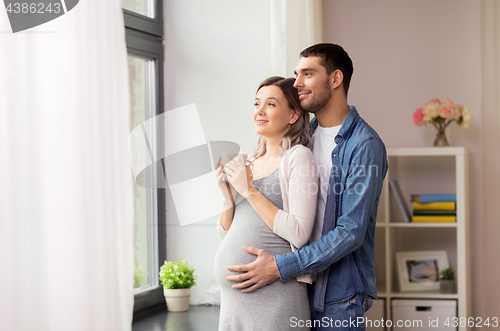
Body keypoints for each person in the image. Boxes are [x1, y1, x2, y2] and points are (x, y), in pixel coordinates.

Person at [225, 43, 388, 331]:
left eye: (308, 74)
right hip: (300, 285)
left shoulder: (364, 145)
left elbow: (350, 232)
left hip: (339, 295)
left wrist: (280, 266)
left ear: (335, 79)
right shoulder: (304, 136)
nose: (297, 83)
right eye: (296, 74)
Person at [213, 76, 319, 331]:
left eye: (270, 104)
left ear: (293, 115)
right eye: (257, 103)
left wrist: (248, 190)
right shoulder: (249, 161)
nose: (259, 111)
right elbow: (226, 234)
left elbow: (299, 232)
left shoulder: (298, 157)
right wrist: (227, 197)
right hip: (233, 306)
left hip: (275, 298)